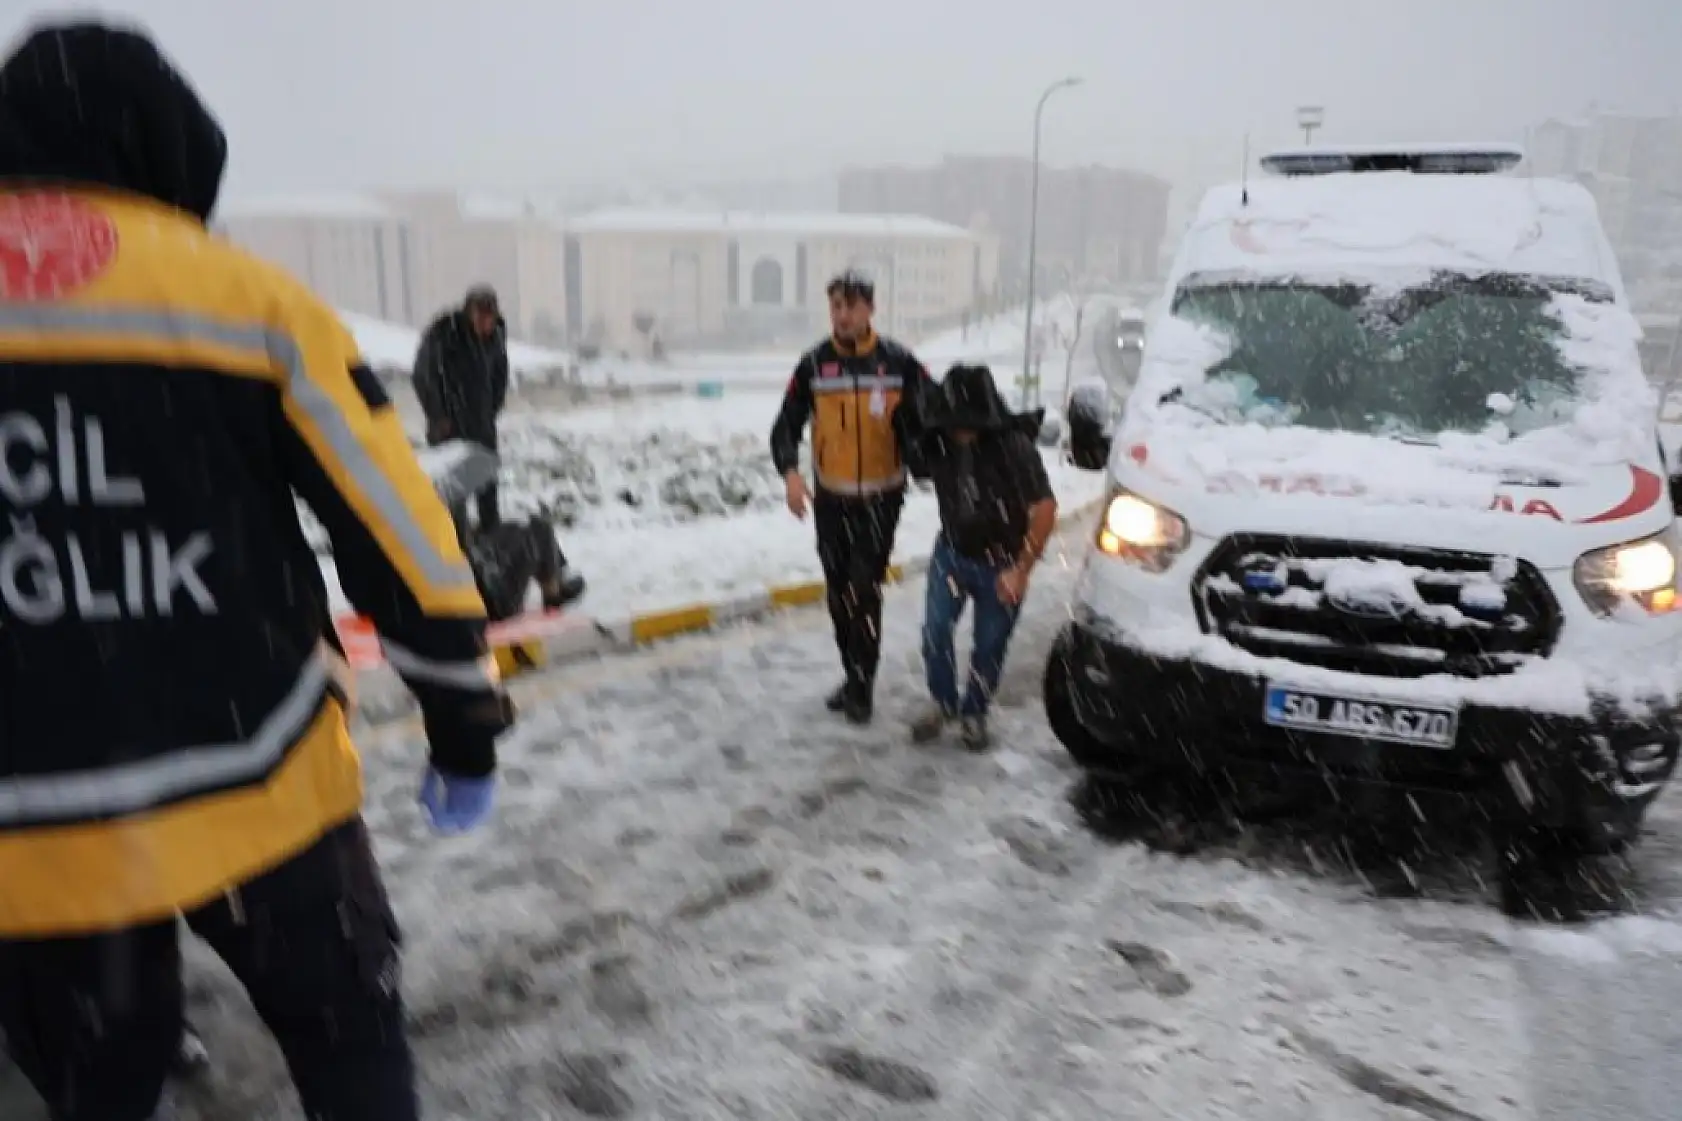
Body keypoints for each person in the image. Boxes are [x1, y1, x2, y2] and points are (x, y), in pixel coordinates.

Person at [0, 20, 514, 1121]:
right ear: (174, 150)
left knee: (96, 1080)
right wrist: (461, 711)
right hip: (258, 786)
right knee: (349, 1046)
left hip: (26, 834)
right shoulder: (247, 302)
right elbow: (398, 528)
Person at [770, 270, 934, 724]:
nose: (841, 316)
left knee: (864, 590)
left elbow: (938, 408)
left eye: (850, 307)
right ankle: (852, 674)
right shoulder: (814, 365)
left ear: (870, 310)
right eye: (835, 307)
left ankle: (863, 686)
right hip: (832, 499)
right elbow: (785, 425)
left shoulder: (898, 363)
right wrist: (791, 474)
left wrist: (929, 449)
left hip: (882, 498)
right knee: (838, 595)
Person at [909, 365, 1058, 751]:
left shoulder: (1014, 448)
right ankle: (943, 702)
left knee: (989, 645)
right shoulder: (938, 440)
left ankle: (974, 711)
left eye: (967, 424)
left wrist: (1021, 569)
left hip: (1004, 562)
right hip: (953, 552)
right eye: (953, 423)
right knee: (935, 632)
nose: (960, 433)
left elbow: (1043, 507)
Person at [413, 284, 511, 542]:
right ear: (468, 312)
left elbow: (500, 375)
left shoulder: (497, 337)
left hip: (482, 424)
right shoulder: (445, 333)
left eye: (489, 318)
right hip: (448, 426)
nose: (485, 324)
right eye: (480, 316)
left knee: (487, 485)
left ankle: (492, 542)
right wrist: (438, 415)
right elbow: (422, 375)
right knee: (454, 494)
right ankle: (456, 547)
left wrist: (492, 408)